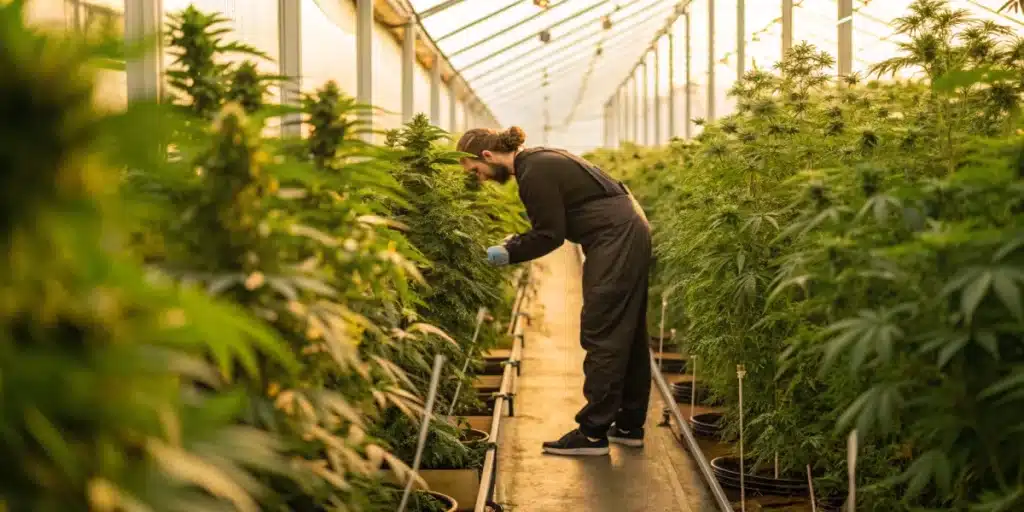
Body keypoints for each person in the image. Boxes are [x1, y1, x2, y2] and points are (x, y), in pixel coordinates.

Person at [456, 126, 652, 456]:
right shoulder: (537, 161)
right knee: (627, 332)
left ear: (488, 156)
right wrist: (515, 242)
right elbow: (552, 224)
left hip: (615, 237)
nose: (481, 178)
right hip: (624, 230)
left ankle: (592, 434)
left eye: (477, 170)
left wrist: (508, 253)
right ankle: (630, 425)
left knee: (601, 329)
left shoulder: (533, 172)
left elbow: (550, 235)